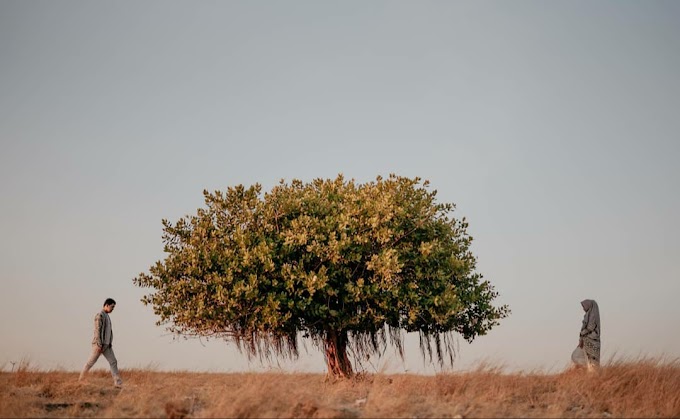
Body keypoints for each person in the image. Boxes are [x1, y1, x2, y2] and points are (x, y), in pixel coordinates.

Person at [79, 298, 123, 387]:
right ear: (106, 305)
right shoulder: (100, 316)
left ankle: (118, 383)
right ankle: (81, 380)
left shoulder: (108, 316)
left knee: (113, 362)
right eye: (112, 307)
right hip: (99, 345)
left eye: (113, 307)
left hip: (107, 346)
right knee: (90, 362)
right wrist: (99, 344)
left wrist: (110, 343)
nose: (112, 309)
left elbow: (109, 331)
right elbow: (97, 331)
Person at [578, 299, 601, 369]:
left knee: (593, 361)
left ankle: (594, 376)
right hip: (589, 340)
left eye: (584, 306)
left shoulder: (592, 315)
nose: (583, 308)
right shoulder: (588, 315)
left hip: (592, 340)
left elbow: (590, 327)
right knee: (589, 361)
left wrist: (582, 333)